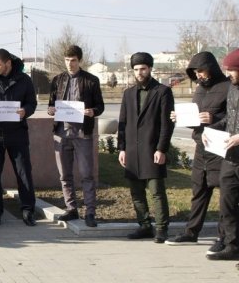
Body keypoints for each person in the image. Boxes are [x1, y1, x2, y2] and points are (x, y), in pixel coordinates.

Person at [167, 52, 229, 247]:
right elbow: (196, 117)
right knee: (198, 191)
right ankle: (191, 232)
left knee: (225, 195)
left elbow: (233, 118)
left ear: (211, 67)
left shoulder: (229, 88)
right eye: (195, 72)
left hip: (221, 149)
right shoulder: (199, 90)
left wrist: (214, 120)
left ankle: (224, 238)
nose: (199, 75)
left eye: (201, 70)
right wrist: (182, 119)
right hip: (201, 147)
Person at [0, 49, 38, 226]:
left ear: (8, 63)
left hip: (17, 132)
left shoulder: (24, 79)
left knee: (24, 172)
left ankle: (28, 210)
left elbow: (32, 103)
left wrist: (25, 111)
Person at [118, 52, 174, 243]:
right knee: (136, 192)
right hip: (132, 151)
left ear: (150, 69)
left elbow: (167, 124)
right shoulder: (128, 93)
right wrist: (122, 148)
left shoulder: (162, 92)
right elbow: (123, 123)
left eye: (143, 68)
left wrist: (161, 148)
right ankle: (144, 226)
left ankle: (161, 229)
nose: (139, 72)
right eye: (136, 69)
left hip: (152, 149)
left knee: (157, 191)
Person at [47, 45, 105, 228]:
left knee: (87, 174)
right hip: (61, 134)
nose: (69, 63)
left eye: (73, 60)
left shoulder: (91, 80)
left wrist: (92, 111)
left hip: (83, 133)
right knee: (65, 175)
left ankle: (90, 212)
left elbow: (100, 106)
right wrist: (51, 110)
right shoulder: (57, 80)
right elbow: (51, 105)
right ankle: (71, 208)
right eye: (66, 60)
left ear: (79, 60)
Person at [201, 49, 239, 260]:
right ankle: (232, 245)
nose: (228, 74)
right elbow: (229, 120)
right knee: (227, 202)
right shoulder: (232, 89)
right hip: (231, 158)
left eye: (232, 70)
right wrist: (212, 129)